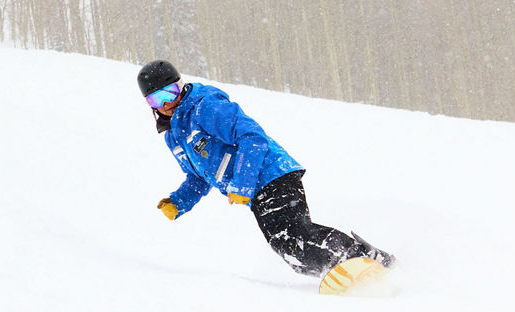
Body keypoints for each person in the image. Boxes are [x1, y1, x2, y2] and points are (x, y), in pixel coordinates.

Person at [138, 59, 393, 293]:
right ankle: (349, 267)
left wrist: (242, 183)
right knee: (292, 252)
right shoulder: (174, 136)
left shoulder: (205, 107)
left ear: (180, 87)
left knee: (291, 238)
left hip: (271, 174)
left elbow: (253, 138)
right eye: (156, 100)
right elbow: (199, 177)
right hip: (256, 189)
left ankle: (357, 261)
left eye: (170, 93)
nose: (167, 103)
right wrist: (178, 202)